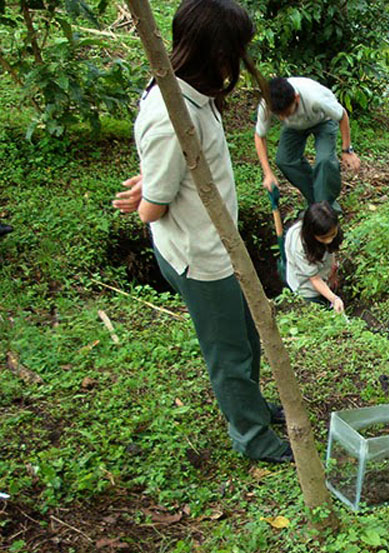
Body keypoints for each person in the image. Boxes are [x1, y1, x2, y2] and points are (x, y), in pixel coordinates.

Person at [112, 0, 291, 464]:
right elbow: (152, 211)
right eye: (238, 51)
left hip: (222, 245)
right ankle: (252, 437)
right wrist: (147, 195)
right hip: (200, 256)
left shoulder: (191, 93)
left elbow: (175, 169)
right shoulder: (171, 114)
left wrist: (156, 181)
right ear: (218, 53)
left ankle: (253, 408)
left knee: (246, 335)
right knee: (229, 353)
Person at [253, 76, 360, 211]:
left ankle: (325, 208)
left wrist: (347, 150)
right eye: (279, 115)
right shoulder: (268, 104)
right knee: (284, 160)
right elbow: (260, 136)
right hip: (294, 128)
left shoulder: (316, 98)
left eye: (286, 113)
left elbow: (342, 115)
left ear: (296, 98)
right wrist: (268, 173)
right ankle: (318, 203)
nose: (282, 118)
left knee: (325, 161)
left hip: (323, 120)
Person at [285, 202, 345, 314]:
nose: (329, 240)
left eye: (332, 235)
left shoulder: (329, 226)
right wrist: (334, 299)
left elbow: (331, 251)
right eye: (324, 238)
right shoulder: (299, 246)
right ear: (311, 234)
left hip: (323, 274)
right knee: (318, 311)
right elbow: (314, 279)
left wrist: (333, 272)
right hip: (306, 286)